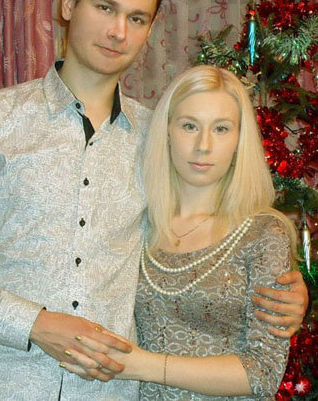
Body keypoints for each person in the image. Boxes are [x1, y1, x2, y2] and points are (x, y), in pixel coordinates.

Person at [0, 0, 307, 401]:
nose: (118, 31)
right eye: (105, 7)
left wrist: (284, 292)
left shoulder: (161, 138)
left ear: (150, 29)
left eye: (137, 18)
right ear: (69, 3)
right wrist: (34, 324)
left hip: (109, 391)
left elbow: (206, 228)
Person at [60, 65, 300, 400]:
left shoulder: (262, 234)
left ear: (239, 140)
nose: (203, 145)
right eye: (190, 126)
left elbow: (263, 373)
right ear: (168, 131)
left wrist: (141, 365)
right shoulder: (137, 223)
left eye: (221, 128)